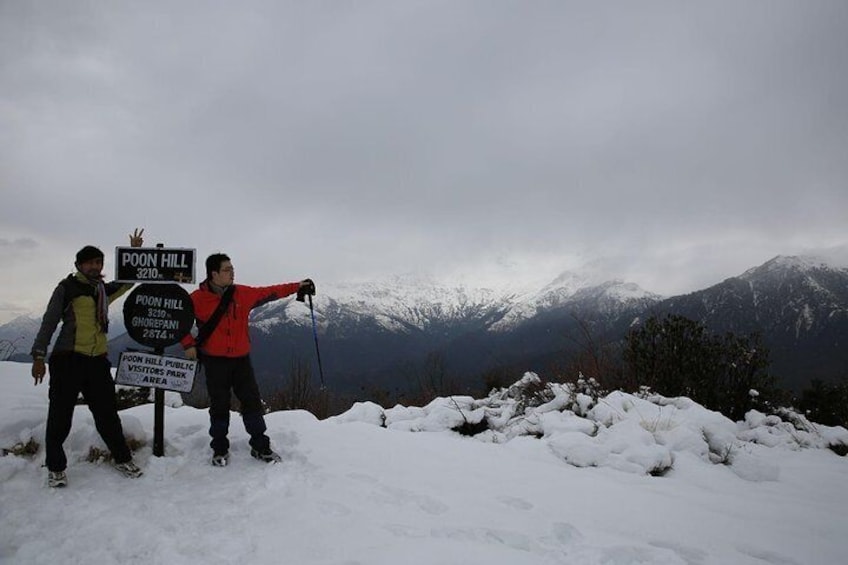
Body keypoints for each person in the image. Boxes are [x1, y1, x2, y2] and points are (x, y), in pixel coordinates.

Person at [31, 229, 146, 488]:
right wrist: (39, 355)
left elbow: (127, 282)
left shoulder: (103, 291)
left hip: (97, 361)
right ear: (79, 265)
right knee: (60, 416)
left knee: (107, 414)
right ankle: (56, 468)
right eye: (91, 262)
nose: (96, 267)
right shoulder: (66, 288)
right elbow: (49, 323)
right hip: (68, 360)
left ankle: (122, 458)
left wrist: (135, 253)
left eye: (99, 263)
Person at [181, 253, 315, 467]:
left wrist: (297, 286)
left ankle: (260, 446)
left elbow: (271, 291)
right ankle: (219, 448)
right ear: (213, 274)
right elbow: (178, 321)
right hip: (214, 361)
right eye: (227, 269)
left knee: (251, 403)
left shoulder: (242, 293)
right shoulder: (197, 299)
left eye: (232, 268)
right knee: (219, 405)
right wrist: (187, 344)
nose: (232, 272)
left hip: (241, 360)